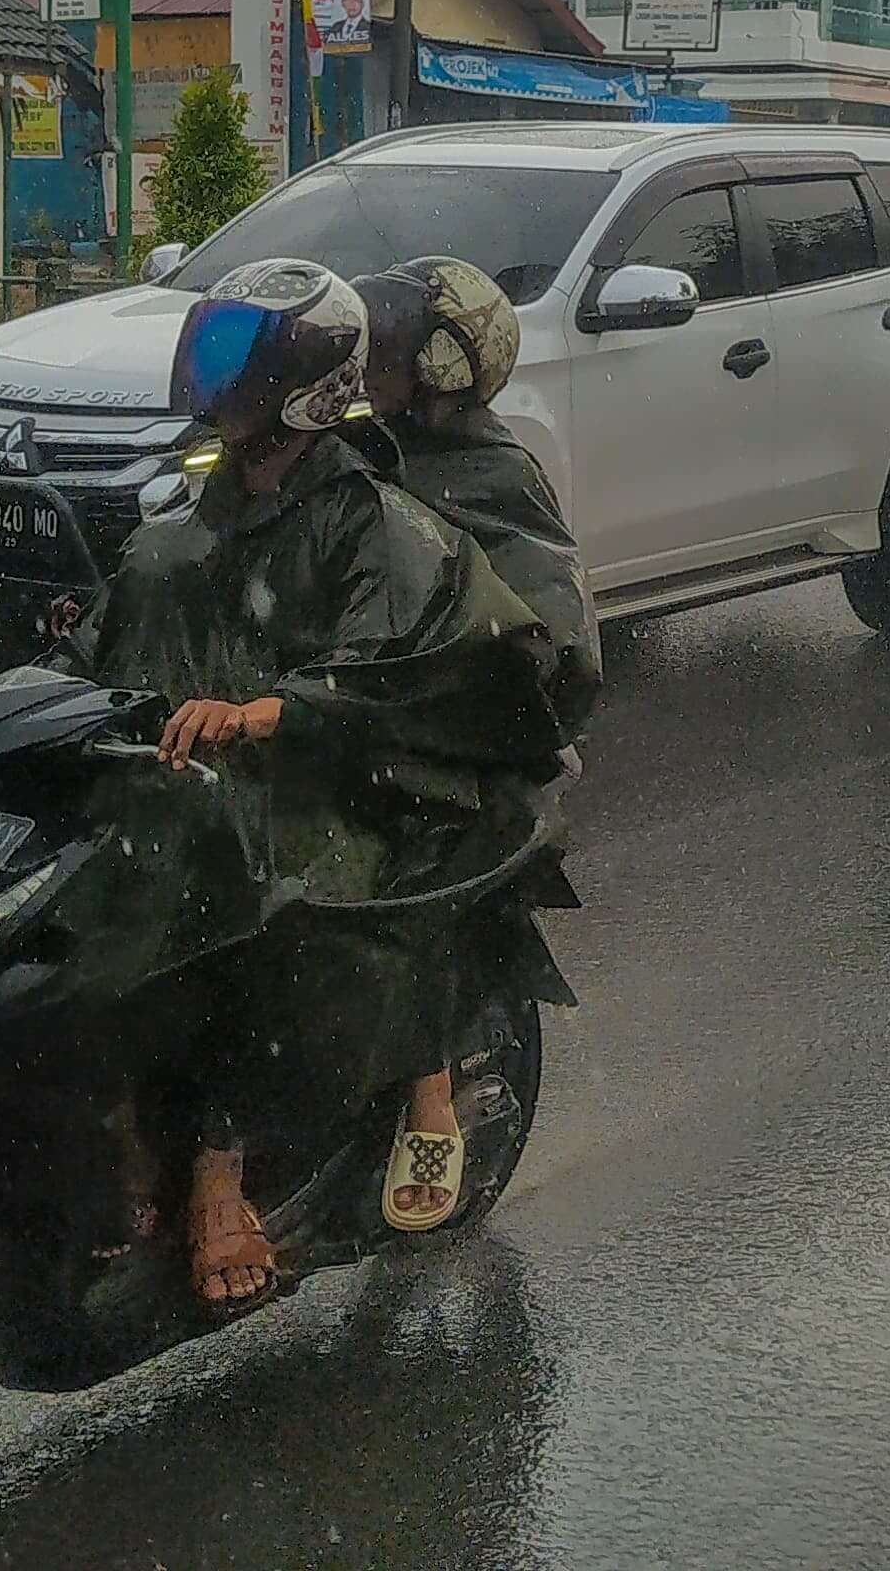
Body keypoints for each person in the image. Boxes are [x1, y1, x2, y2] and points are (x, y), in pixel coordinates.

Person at [60, 257, 564, 1311]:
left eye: (240, 358)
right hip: (202, 773)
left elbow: (400, 664)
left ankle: (228, 1161)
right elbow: (119, 637)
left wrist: (271, 713)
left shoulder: (381, 516)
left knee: (260, 908)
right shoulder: (193, 513)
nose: (215, 377)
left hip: (352, 782)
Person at [349, 255, 600, 1232]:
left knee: (378, 886)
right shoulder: (350, 445)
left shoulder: (495, 475)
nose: (373, 363)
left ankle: (428, 1097)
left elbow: (552, 637)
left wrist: (456, 687)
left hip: (438, 741)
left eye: (394, 351)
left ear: (449, 367)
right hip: (323, 700)